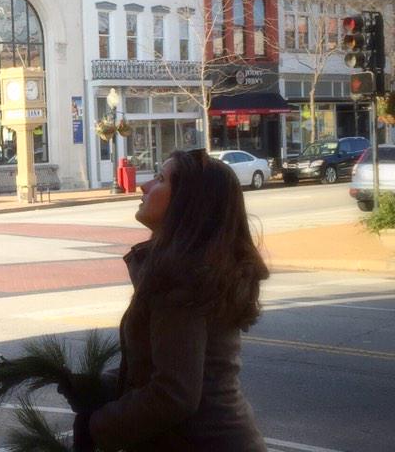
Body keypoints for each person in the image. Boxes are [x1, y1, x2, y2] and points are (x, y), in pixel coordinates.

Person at [73, 149, 270, 452]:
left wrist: (98, 426)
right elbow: (157, 368)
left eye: (160, 179)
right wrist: (97, 386)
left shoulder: (182, 282)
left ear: (186, 203)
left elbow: (173, 394)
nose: (144, 186)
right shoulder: (190, 270)